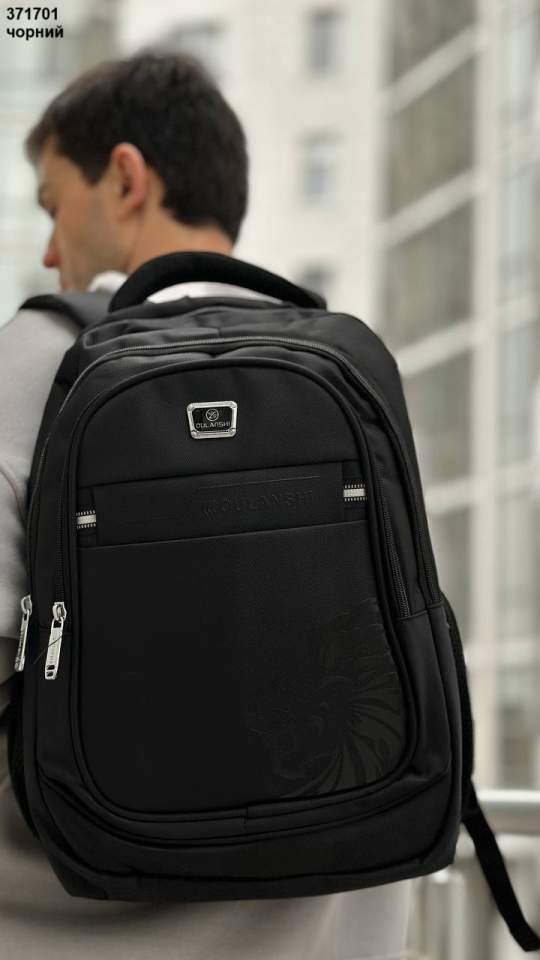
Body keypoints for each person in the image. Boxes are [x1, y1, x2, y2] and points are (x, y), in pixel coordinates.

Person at [0, 52, 412, 959]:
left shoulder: (27, 364)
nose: (50, 250)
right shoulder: (346, 369)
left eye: (52, 204)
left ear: (126, 179)